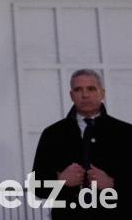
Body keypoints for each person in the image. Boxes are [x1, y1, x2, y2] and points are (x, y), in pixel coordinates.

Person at [32, 69, 132, 219]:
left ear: (102, 93)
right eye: (78, 89)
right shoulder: (53, 134)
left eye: (91, 88)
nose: (85, 95)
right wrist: (60, 181)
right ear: (71, 95)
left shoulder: (126, 133)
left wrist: (113, 184)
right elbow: (36, 188)